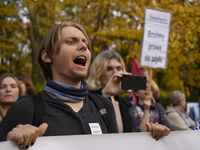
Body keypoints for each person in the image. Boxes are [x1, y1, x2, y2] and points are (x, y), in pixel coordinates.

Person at [0, 21, 170, 149]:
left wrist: (151, 138)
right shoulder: (26, 108)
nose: (83, 46)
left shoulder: (103, 106)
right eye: (71, 42)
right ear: (47, 56)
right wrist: (11, 144)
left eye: (85, 44)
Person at [86, 50, 132, 133]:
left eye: (119, 68)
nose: (115, 73)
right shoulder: (87, 98)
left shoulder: (122, 102)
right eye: (109, 69)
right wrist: (105, 95)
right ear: (98, 72)